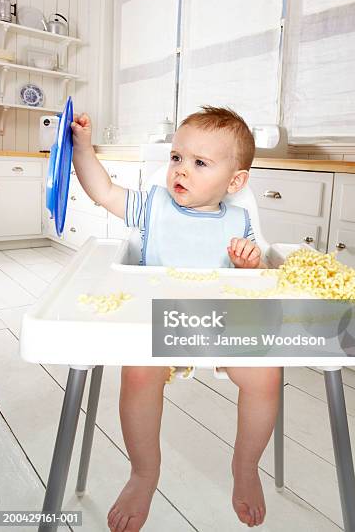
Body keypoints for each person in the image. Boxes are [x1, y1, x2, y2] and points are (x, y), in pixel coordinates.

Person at [71, 106, 281, 531]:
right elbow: (104, 192)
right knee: (139, 373)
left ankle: (246, 466)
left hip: (221, 325)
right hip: (158, 323)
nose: (181, 170)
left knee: (266, 373)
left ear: (235, 181)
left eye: (199, 163)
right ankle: (144, 473)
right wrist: (82, 151)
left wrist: (250, 266)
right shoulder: (153, 208)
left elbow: (262, 281)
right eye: (176, 158)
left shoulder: (240, 223)